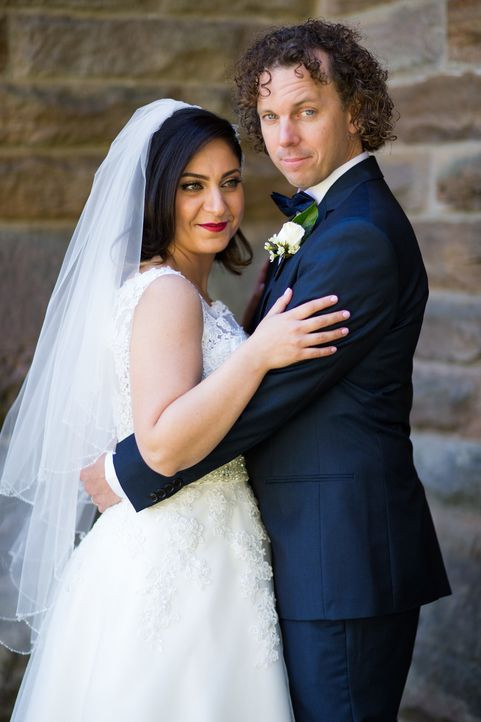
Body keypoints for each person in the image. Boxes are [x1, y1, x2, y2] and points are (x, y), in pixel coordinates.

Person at [83, 19, 452, 722]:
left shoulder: (358, 239)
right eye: (271, 116)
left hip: (338, 563)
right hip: (298, 556)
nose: (283, 136)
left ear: (357, 113)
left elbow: (265, 395)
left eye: (306, 111)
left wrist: (132, 470)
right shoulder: (327, 218)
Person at [0, 100, 350, 721]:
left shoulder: (185, 292)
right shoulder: (167, 295)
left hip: (212, 552)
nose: (217, 207)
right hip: (176, 566)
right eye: (193, 186)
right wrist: (258, 355)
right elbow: (159, 444)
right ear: (159, 194)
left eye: (230, 183)